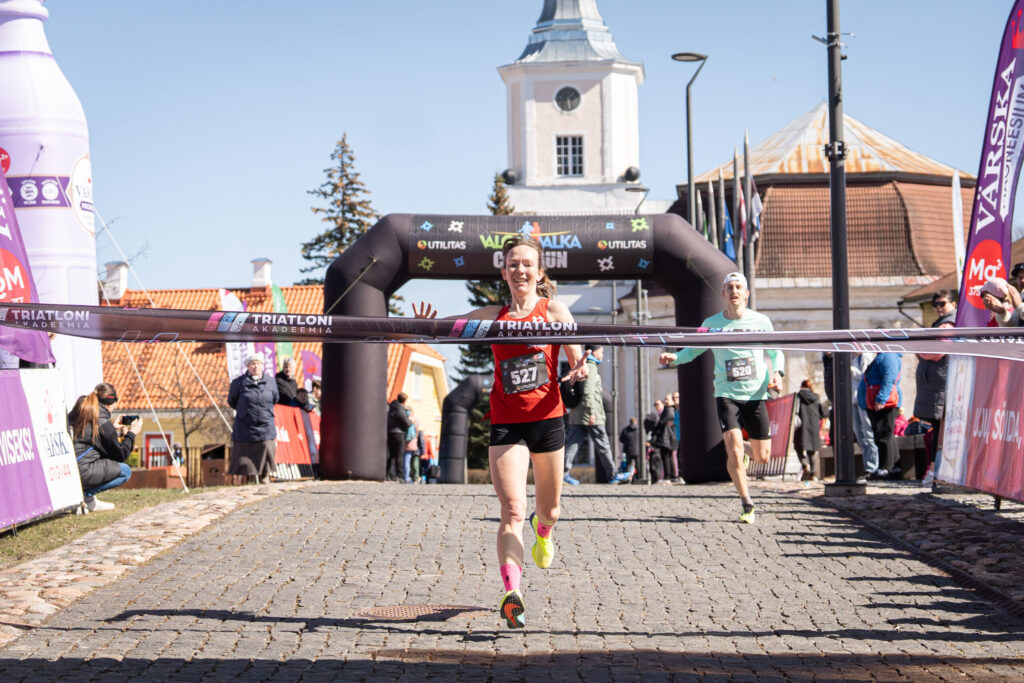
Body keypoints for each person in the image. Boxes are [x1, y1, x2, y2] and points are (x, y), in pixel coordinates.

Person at [414, 234, 588, 629]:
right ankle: (513, 595)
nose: (520, 270)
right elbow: (452, 327)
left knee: (550, 510)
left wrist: (578, 367)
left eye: (527, 263)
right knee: (511, 510)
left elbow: (576, 354)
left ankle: (543, 531)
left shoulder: (554, 310)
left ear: (539, 272)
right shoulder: (493, 314)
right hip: (506, 421)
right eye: (513, 264)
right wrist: (428, 327)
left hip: (547, 418)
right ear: (504, 272)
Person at [659, 272, 784, 524]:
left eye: (739, 287)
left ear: (746, 294)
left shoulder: (761, 321)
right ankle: (747, 503)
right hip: (726, 393)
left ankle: (746, 451)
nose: (734, 291)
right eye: (730, 287)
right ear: (724, 294)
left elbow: (776, 352)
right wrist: (674, 357)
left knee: (763, 457)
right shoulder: (712, 323)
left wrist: (778, 374)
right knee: (733, 449)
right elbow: (693, 350)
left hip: (756, 394)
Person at [68, 383, 139, 512]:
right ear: (111, 403)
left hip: (69, 469)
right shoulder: (102, 423)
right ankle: (85, 497)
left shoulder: (82, 410)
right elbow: (120, 454)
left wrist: (112, 427)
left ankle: (83, 497)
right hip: (82, 471)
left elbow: (93, 439)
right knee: (125, 471)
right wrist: (131, 434)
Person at [916, 291, 956, 485]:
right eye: (935, 304)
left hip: (942, 385)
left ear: (953, 304)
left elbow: (937, 350)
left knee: (941, 429)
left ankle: (936, 471)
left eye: (942, 304)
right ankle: (935, 470)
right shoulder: (939, 324)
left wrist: (920, 350)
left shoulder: (949, 324)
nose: (938, 307)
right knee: (937, 430)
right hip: (935, 385)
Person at [563, 345, 615, 484]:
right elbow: (588, 392)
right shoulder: (591, 367)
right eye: (602, 352)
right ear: (595, 351)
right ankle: (613, 474)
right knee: (603, 444)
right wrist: (592, 413)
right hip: (590, 414)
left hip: (577, 414)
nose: (603, 355)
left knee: (572, 445)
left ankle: (563, 474)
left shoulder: (585, 365)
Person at [228, 353, 279, 484]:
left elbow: (275, 398)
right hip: (245, 423)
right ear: (248, 366)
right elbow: (232, 401)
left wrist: (265, 411)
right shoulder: (238, 383)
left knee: (266, 446)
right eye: (253, 363)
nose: (256, 366)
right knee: (246, 450)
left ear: (262, 365)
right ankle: (249, 476)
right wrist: (245, 411)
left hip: (265, 422)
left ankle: (265, 475)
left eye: (258, 363)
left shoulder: (271, 381)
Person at [857, 351, 903, 481]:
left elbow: (889, 377)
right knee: (883, 435)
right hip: (875, 402)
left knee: (883, 435)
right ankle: (893, 468)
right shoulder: (882, 356)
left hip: (883, 403)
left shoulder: (888, 356)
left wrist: (881, 399)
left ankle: (885, 468)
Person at [795, 380, 826, 482]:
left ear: (802, 386)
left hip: (801, 426)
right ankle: (813, 473)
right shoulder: (816, 397)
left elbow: (795, 410)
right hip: (814, 425)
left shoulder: (799, 396)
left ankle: (805, 465)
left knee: (798, 447)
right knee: (811, 451)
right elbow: (823, 413)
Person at [651, 394, 678, 485]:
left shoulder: (669, 410)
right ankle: (671, 476)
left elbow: (662, 422)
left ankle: (668, 476)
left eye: (667, 399)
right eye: (665, 399)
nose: (665, 401)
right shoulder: (669, 409)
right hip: (667, 437)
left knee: (666, 457)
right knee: (668, 457)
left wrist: (657, 427)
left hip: (666, 437)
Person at [386, 392, 412, 482]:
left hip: (390, 433)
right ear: (404, 400)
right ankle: (400, 476)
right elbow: (407, 422)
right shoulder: (400, 409)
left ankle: (388, 475)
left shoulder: (391, 407)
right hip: (399, 434)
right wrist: (410, 421)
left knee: (391, 455)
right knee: (399, 455)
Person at [613, 417, 641, 484]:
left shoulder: (625, 429)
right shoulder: (639, 430)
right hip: (638, 450)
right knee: (638, 465)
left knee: (628, 465)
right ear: (636, 422)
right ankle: (638, 478)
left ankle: (627, 479)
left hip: (628, 450)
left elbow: (621, 439)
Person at [403, 409, 420, 483]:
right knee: (412, 460)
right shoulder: (415, 419)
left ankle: (406, 476)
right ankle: (411, 476)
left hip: (404, 440)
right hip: (412, 441)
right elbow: (417, 432)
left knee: (406, 460)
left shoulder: (404, 417)